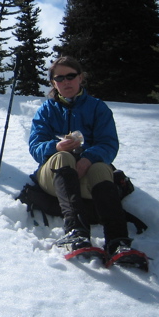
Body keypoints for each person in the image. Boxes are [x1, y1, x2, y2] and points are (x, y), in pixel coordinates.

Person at [28, 56, 138, 260]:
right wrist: (55, 146)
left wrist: (87, 158)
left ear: (80, 78)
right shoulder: (46, 110)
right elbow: (35, 147)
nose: (66, 82)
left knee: (101, 167)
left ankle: (118, 240)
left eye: (70, 76)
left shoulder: (97, 108)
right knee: (63, 157)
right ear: (53, 83)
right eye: (59, 78)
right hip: (53, 178)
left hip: (88, 179)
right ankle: (75, 231)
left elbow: (108, 144)